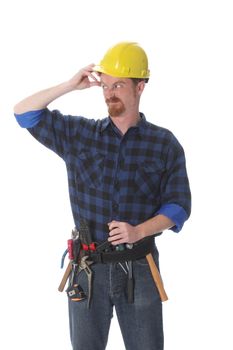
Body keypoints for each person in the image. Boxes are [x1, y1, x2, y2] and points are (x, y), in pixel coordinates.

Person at [14, 42, 191, 350]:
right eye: (106, 85)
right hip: (88, 269)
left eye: (119, 85)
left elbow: (178, 207)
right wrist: (70, 85)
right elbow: (24, 113)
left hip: (140, 266)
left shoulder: (164, 144)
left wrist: (138, 230)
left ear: (140, 87)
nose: (110, 93)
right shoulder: (79, 135)